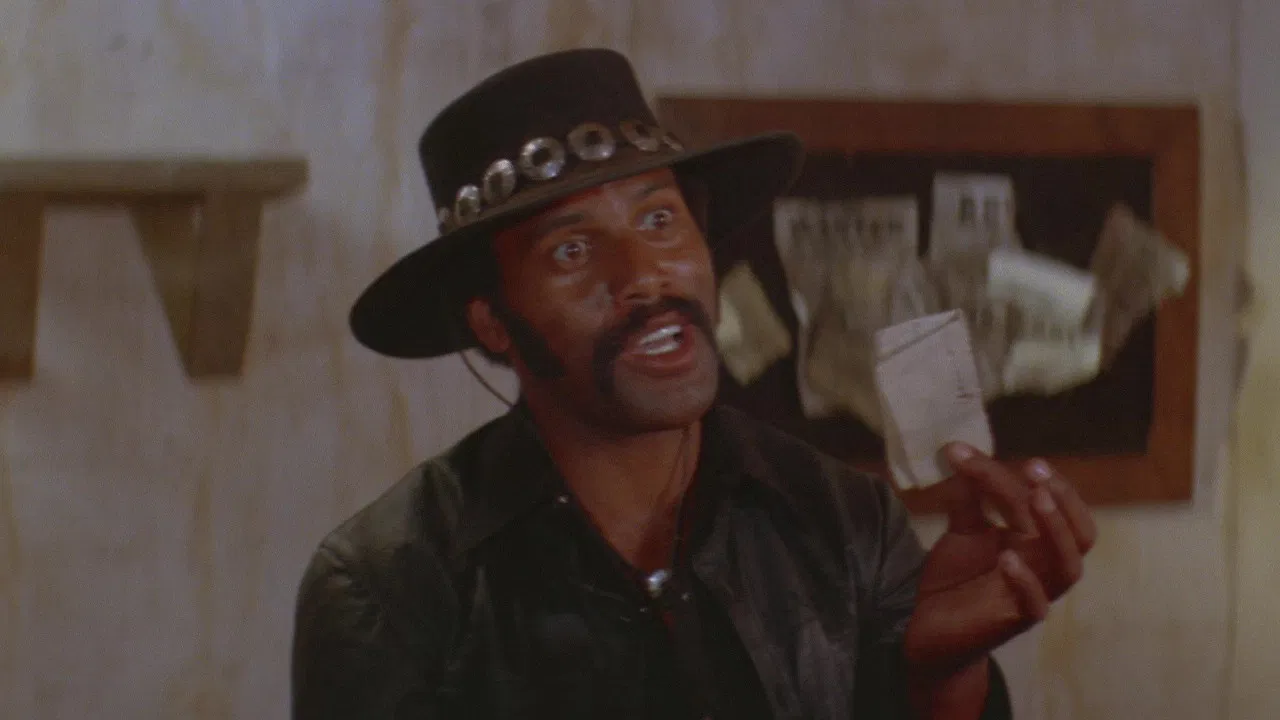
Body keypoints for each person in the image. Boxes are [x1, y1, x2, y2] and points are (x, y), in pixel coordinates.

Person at [291, 48, 1096, 720]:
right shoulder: (391, 587)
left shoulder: (844, 522)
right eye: (571, 251)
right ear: (494, 322)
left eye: (658, 220)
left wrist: (941, 677)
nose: (645, 275)